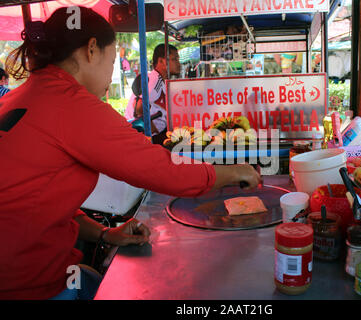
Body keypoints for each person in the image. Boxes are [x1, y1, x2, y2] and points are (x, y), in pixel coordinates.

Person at [0, 7, 261, 300]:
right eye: (112, 61)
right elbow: (160, 169)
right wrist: (234, 172)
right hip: (28, 285)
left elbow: (33, 202)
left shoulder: (17, 97)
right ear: (91, 50)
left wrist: (104, 233)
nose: (111, 77)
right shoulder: (70, 104)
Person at [125, 43, 180, 145]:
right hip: (147, 137)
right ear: (161, 61)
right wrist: (154, 130)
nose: (178, 64)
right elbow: (138, 107)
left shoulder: (161, 81)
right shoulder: (155, 80)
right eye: (174, 59)